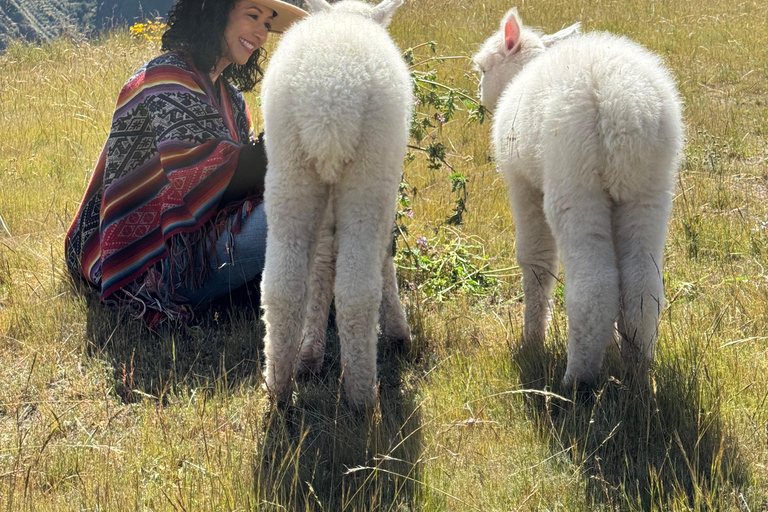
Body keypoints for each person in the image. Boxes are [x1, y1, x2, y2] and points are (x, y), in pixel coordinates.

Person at [65, 0, 307, 327]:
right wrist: (294, 132)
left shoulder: (231, 98)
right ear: (216, 12)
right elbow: (222, 179)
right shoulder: (164, 78)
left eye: (267, 23)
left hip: (203, 242)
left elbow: (242, 186)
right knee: (300, 209)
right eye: (253, 16)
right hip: (157, 264)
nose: (261, 33)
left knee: (317, 196)